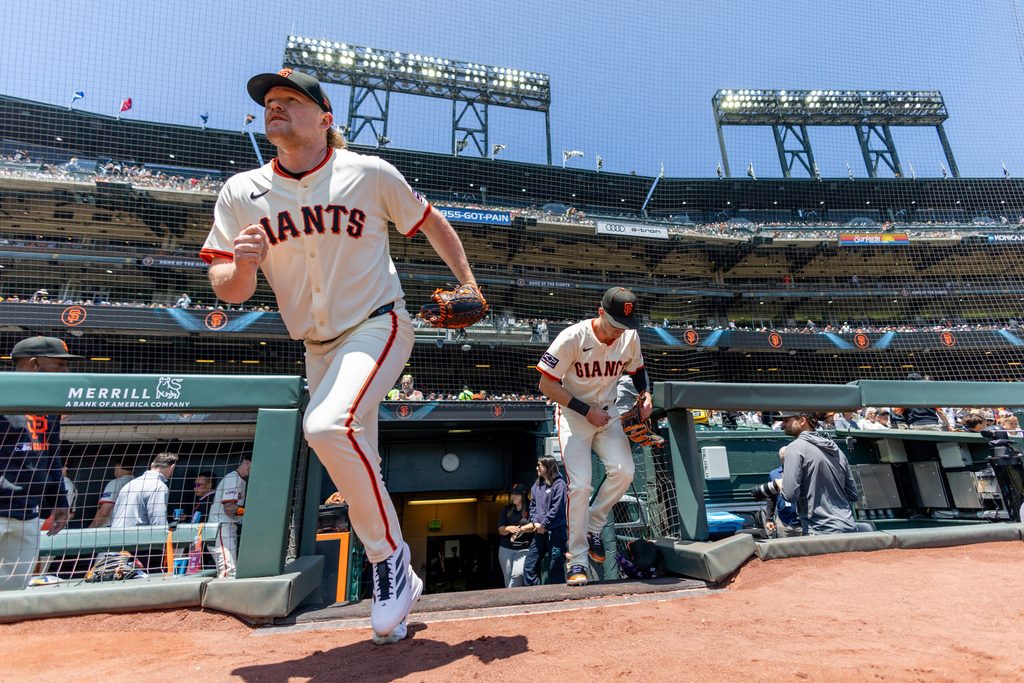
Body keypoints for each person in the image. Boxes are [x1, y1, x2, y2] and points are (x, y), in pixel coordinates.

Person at [199, 68, 479, 643]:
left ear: (325, 117)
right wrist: (244, 264)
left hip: (378, 324)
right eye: (269, 102)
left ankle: (390, 563)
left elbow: (432, 222)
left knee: (327, 425)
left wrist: (469, 283)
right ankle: (398, 608)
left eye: (290, 100)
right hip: (316, 346)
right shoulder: (241, 191)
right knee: (357, 473)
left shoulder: (367, 173)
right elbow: (229, 289)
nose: (275, 107)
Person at [535, 287, 648, 586]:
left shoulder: (628, 336)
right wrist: (585, 411)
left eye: (625, 327)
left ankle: (594, 524)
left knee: (624, 472)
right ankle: (578, 560)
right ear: (600, 313)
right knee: (580, 486)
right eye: (614, 326)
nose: (618, 334)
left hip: (607, 414)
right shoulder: (573, 337)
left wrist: (645, 394)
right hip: (574, 415)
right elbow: (546, 385)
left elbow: (638, 370)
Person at [0, 336, 78, 590]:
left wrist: (59, 500)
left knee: (14, 593)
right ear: (34, 364)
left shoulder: (49, 403)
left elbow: (51, 453)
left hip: (28, 512)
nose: (66, 371)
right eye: (59, 365)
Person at [778, 412, 859, 535]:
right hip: (848, 528)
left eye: (786, 420)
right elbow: (853, 494)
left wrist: (779, 486)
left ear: (802, 421)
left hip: (819, 532)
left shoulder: (794, 447)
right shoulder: (837, 450)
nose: (782, 425)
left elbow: (790, 495)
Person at [522, 457, 568, 586]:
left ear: (548, 467)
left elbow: (557, 508)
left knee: (555, 568)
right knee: (529, 566)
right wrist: (536, 523)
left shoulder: (560, 484)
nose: (537, 468)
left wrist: (544, 524)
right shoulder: (536, 486)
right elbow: (533, 507)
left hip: (556, 533)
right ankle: (535, 595)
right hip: (539, 533)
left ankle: (557, 600)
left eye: (539, 465)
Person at [109, 453, 178, 528]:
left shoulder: (130, 484)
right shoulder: (159, 486)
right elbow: (158, 520)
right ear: (172, 467)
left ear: (152, 465)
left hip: (115, 534)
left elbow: (115, 513)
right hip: (136, 537)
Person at [207, 457, 249, 578]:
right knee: (228, 571)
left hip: (227, 528)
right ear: (247, 462)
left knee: (230, 570)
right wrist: (247, 512)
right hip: (221, 529)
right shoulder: (233, 478)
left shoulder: (239, 479)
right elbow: (229, 509)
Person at [497, 483, 532, 588]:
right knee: (508, 579)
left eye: (517, 494)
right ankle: (511, 600)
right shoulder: (507, 509)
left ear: (523, 495)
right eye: (513, 494)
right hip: (506, 548)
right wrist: (508, 528)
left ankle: (512, 598)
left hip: (524, 548)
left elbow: (534, 526)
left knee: (518, 574)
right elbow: (500, 530)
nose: (513, 497)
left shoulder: (531, 508)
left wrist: (521, 529)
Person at [764, 447, 801, 538]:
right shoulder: (774, 474)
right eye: (785, 458)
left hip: (803, 522)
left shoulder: (802, 472)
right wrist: (768, 519)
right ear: (781, 459)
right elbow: (771, 498)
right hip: (783, 522)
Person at [88, 459, 135, 528]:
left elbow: (105, 510)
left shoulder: (115, 483)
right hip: (132, 526)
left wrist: (91, 528)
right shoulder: (137, 483)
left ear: (118, 466)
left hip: (112, 527)